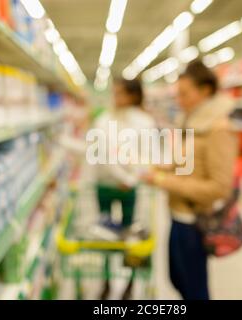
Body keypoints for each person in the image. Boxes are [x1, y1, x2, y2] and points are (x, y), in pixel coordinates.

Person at [143, 60, 238, 300]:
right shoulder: (193, 123)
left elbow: (220, 187)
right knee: (177, 278)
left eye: (184, 94)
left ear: (205, 91)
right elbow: (190, 165)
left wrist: (163, 180)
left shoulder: (218, 130)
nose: (179, 100)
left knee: (194, 289)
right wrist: (159, 167)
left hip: (194, 223)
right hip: (177, 216)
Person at [92, 78, 155, 299]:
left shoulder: (144, 122)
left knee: (130, 235)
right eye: (114, 93)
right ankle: (107, 280)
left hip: (131, 187)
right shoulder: (104, 119)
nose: (115, 98)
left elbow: (147, 155)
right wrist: (122, 176)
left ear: (134, 95)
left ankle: (129, 284)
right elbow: (102, 153)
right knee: (106, 234)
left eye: (120, 94)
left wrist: (131, 178)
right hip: (105, 185)